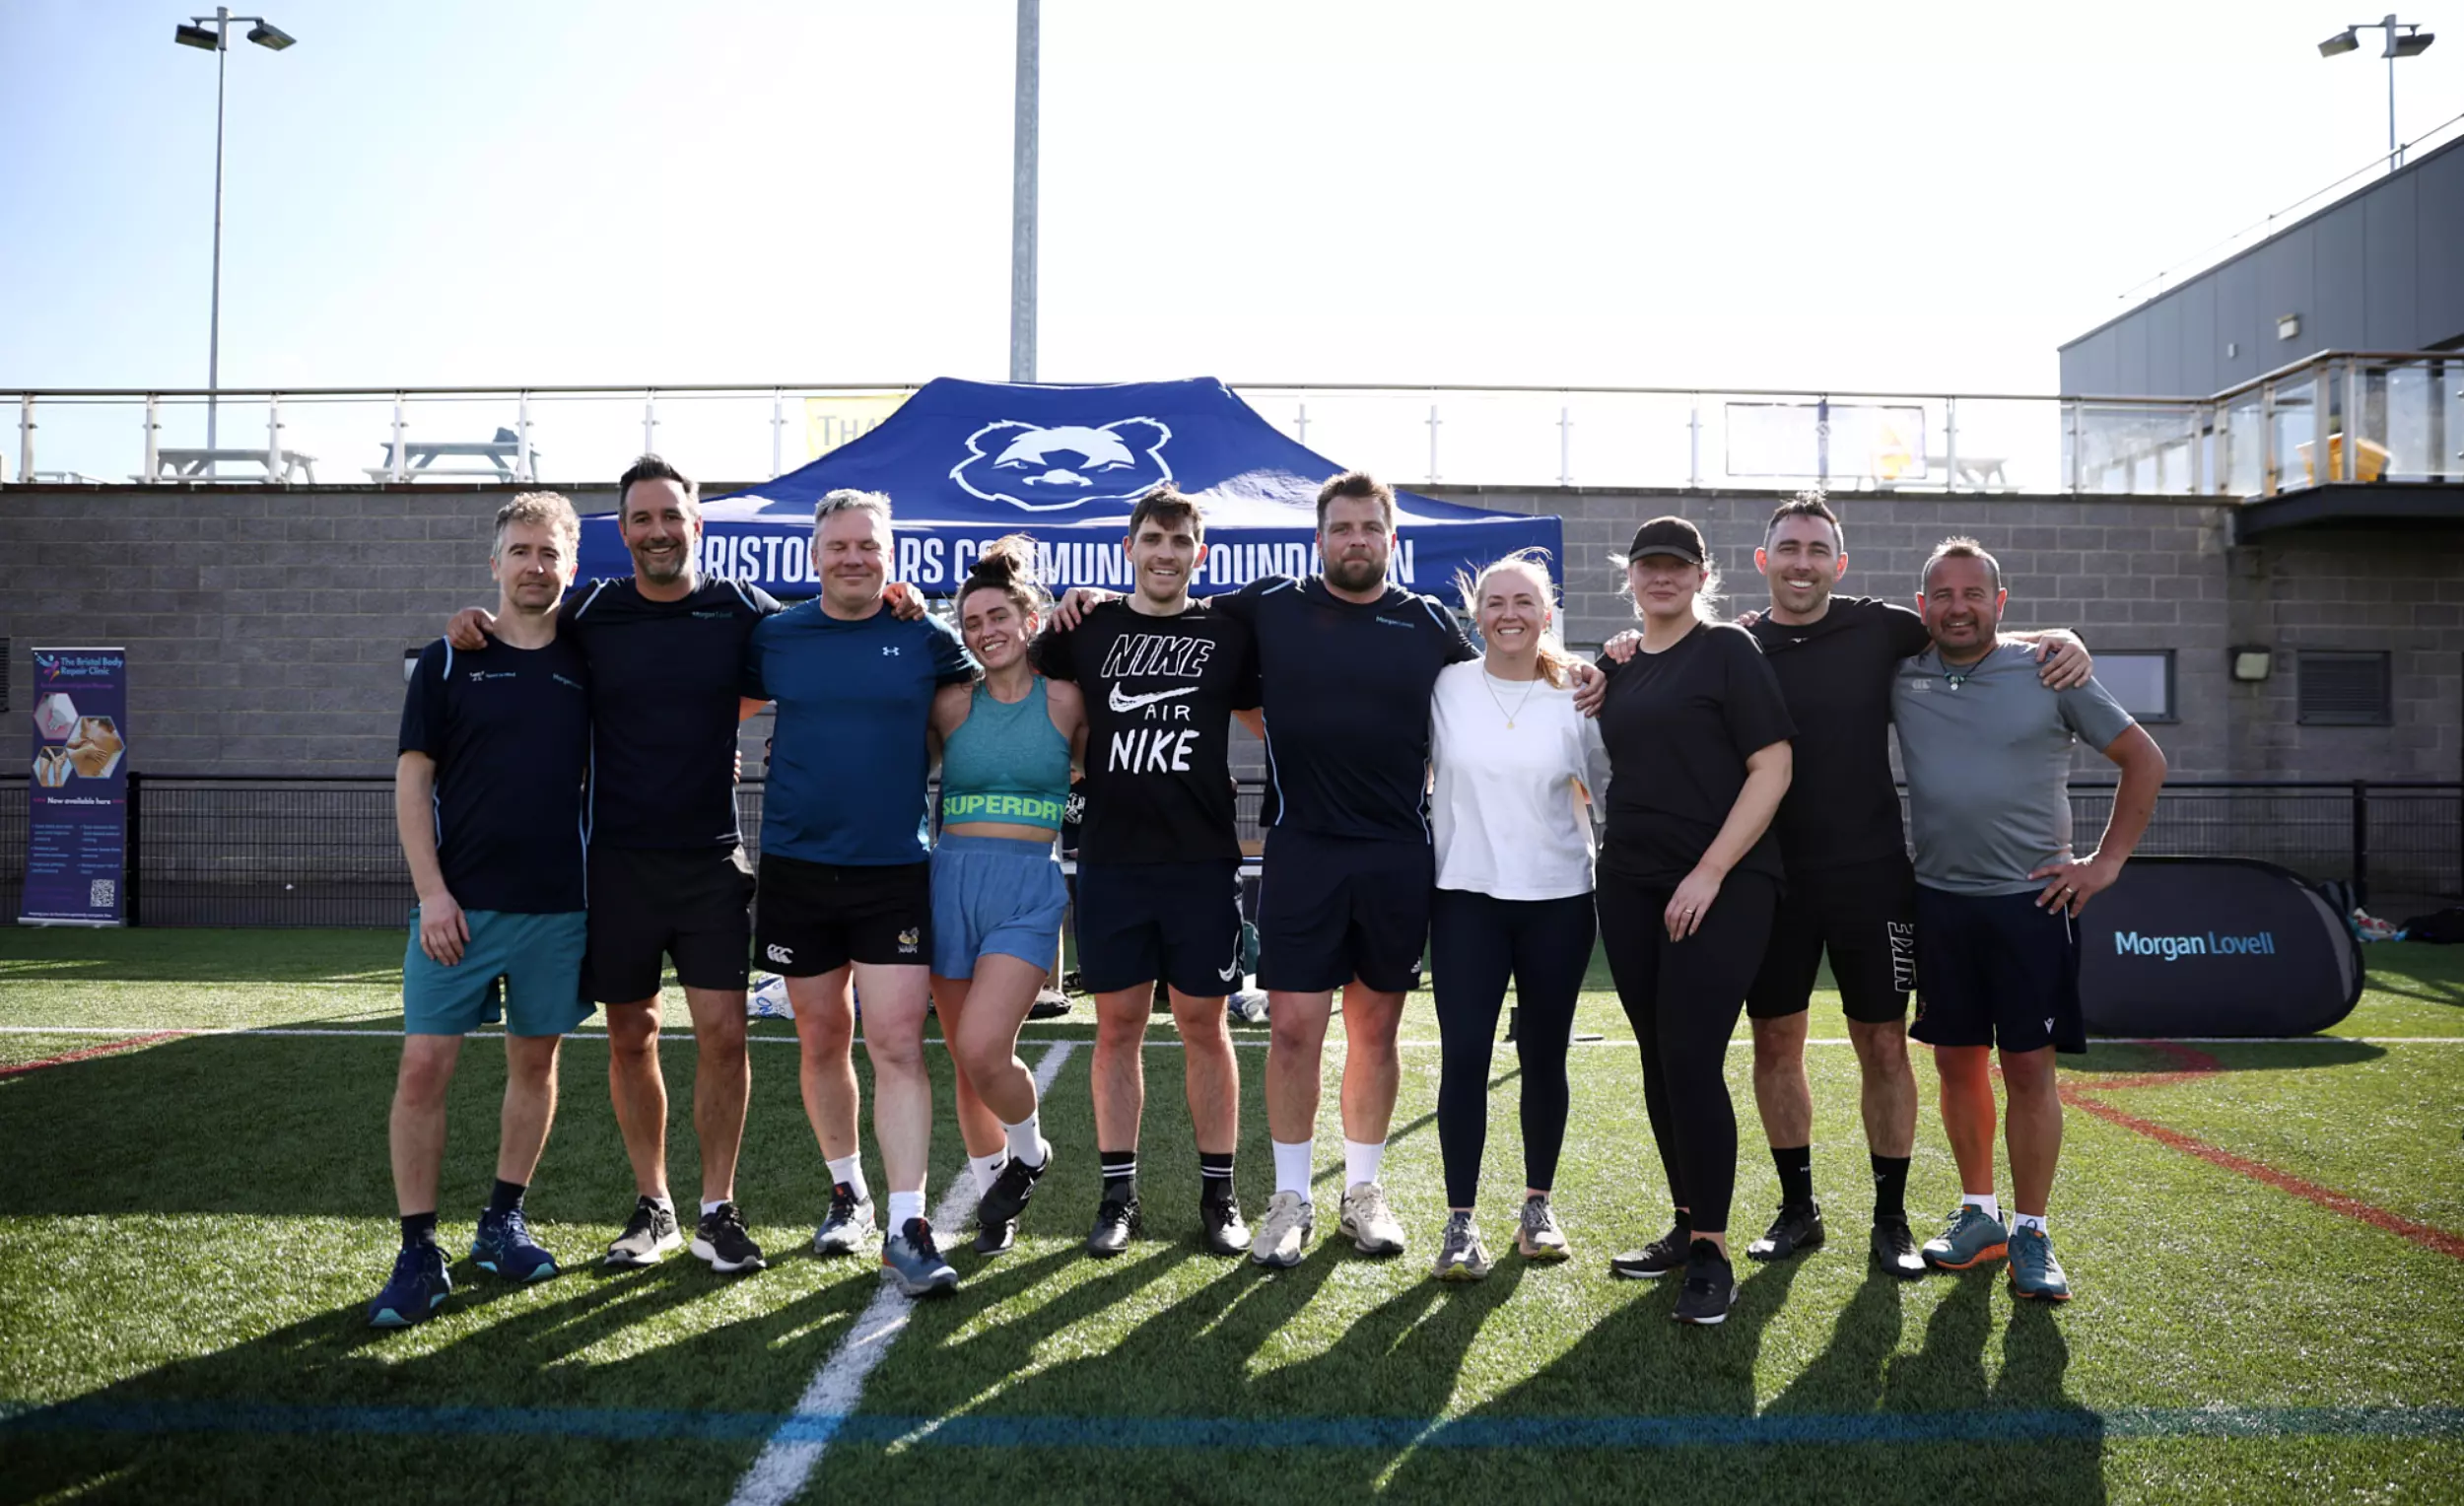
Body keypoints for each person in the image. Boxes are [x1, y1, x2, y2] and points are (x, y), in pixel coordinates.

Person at [1595, 492, 2093, 1278]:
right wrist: (1624, 644)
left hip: (1870, 878)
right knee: (1776, 1042)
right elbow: (1657, 645)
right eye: (1787, 548)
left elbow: (1967, 624)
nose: (1801, 562)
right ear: (1762, 562)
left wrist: (2056, 637)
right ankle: (1798, 1210)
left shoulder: (1880, 628)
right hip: (1769, 884)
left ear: (1840, 562)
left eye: (1816, 549)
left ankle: (1889, 1219)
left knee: (1884, 1045)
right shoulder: (1731, 642)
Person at [448, 455, 781, 1275]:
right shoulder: (591, 610)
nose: (658, 531)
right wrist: (471, 625)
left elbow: (826, 630)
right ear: (622, 532)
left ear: (696, 525)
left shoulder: (739, 606)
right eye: (641, 518)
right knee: (631, 1035)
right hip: (619, 865)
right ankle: (654, 1206)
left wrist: (897, 599)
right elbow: (519, 626)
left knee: (725, 1036)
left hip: (710, 863)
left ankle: (718, 1211)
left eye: (672, 516)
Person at [1893, 537, 2165, 1301]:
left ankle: (2033, 1232)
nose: (1957, 607)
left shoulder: (2050, 669)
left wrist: (2105, 864)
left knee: (2027, 1069)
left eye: (1973, 593)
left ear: (1999, 603)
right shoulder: (1903, 674)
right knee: (1954, 1063)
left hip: (2032, 905)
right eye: (1941, 595)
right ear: (1922, 607)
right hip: (1939, 902)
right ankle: (1979, 1214)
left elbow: (2144, 760)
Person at [744, 489, 975, 1297]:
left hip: (894, 872)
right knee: (819, 1037)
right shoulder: (774, 635)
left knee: (899, 1044)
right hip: (798, 869)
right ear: (814, 555)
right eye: (839, 545)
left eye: (868, 546)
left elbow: (1003, 680)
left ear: (891, 554)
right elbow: (714, 708)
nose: (853, 558)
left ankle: (907, 1223)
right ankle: (848, 1192)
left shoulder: (924, 635)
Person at [372, 493, 592, 1327]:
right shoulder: (448, 657)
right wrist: (431, 893)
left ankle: (501, 1223)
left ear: (571, 567)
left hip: (557, 908)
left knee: (534, 1067)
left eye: (550, 553)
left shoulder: (587, 656)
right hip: (457, 907)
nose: (535, 565)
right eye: (521, 550)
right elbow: (412, 780)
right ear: (494, 562)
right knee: (424, 1068)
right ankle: (418, 1250)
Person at [1035, 486, 1257, 1259]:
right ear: (1129, 545)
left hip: (1200, 863)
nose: (1167, 553)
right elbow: (1016, 684)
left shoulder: (1229, 632)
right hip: (1112, 861)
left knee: (1205, 1025)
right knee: (1117, 1029)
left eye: (1181, 541)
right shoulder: (1085, 627)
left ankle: (1220, 1195)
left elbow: (1278, 719)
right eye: (1154, 538)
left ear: (1201, 551)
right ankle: (1118, 1197)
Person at [1592, 515, 1794, 1326]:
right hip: (1631, 880)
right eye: (1649, 567)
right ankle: (1684, 1223)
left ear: (1704, 575)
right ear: (1631, 576)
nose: (1663, 579)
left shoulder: (1729, 652)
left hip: (1724, 881)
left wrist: (1709, 871)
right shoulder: (1622, 661)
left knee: (1690, 1050)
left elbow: (1772, 766)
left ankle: (1712, 1250)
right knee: (1659, 1057)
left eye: (1678, 567)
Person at [1423, 550, 1610, 1281]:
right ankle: (1460, 1220)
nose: (1509, 614)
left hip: (1559, 899)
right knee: (1465, 1056)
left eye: (1524, 602)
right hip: (1465, 896)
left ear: (1548, 610)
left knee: (1543, 1055)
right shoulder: (1444, 687)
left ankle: (1538, 1205)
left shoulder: (1579, 692)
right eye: (1495, 602)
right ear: (1475, 614)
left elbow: (1608, 783)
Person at [927, 536, 1087, 1257]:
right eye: (971, 623)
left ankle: (1028, 1154)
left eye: (998, 616)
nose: (985, 631)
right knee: (967, 1061)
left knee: (986, 1046)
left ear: (1031, 619)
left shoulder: (1067, 701)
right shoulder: (951, 705)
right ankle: (998, 1194)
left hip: (1026, 888)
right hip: (949, 882)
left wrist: (1101, 602)